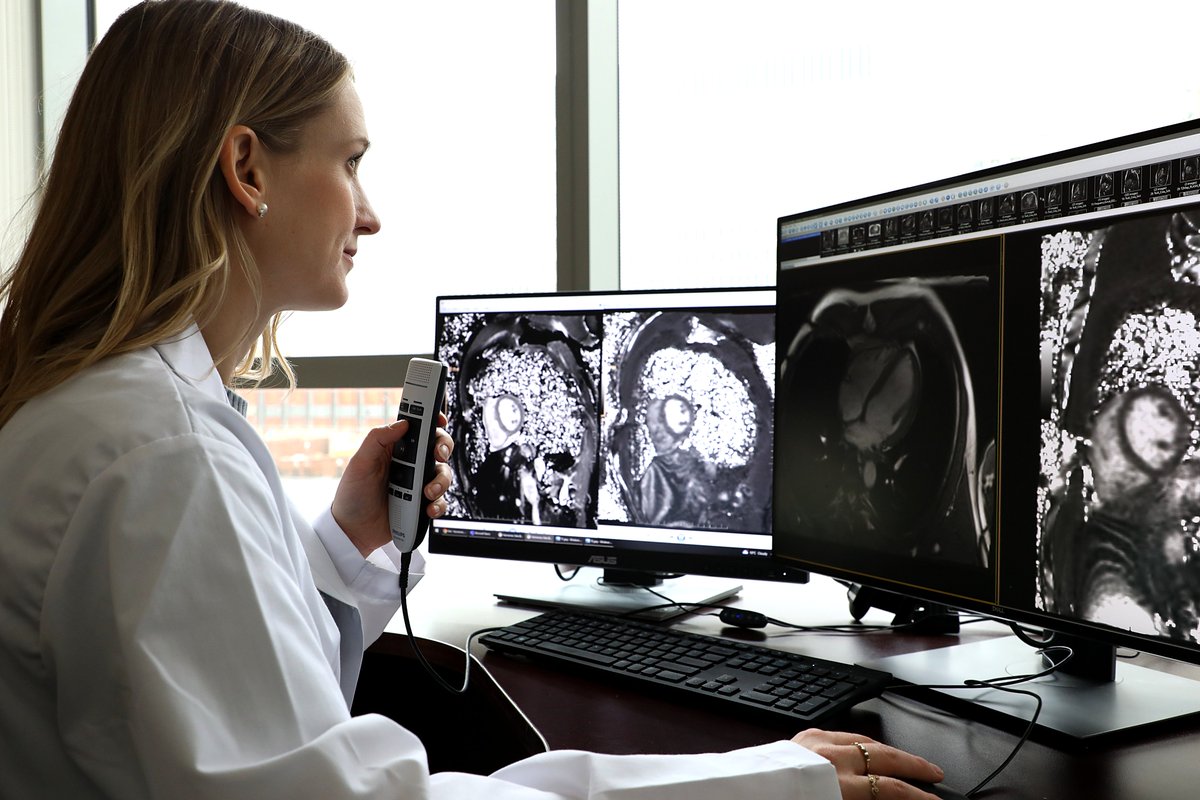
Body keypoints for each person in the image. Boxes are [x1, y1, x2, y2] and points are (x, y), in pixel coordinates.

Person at [0, 2, 947, 798]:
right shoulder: (163, 453)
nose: (370, 213)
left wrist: (343, 541)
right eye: (351, 161)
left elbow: (237, 701)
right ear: (245, 170)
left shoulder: (105, 409)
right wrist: (769, 783)